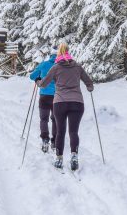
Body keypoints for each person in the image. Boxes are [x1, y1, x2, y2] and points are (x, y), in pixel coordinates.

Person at [36, 42, 94, 171]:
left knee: (61, 132)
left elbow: (44, 84)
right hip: (77, 103)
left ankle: (59, 159)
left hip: (60, 103)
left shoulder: (56, 67)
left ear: (58, 54)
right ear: (68, 52)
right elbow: (89, 83)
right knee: (73, 132)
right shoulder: (77, 67)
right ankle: (74, 156)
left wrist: (38, 81)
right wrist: (89, 88)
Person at [29, 46, 57, 153]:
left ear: (50, 55)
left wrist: (38, 78)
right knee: (56, 119)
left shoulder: (44, 64)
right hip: (58, 97)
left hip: (45, 96)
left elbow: (32, 76)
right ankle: (55, 141)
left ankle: (45, 140)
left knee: (44, 119)